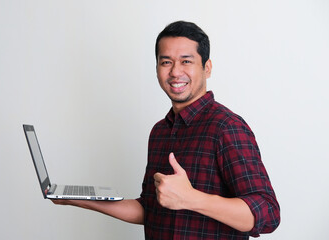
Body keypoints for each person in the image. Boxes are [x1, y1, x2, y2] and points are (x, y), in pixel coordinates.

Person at [51, 21, 280, 239]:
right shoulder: (159, 132)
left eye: (186, 61)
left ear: (207, 68)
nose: (175, 72)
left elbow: (268, 213)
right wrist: (74, 199)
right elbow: (149, 209)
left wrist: (191, 198)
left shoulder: (227, 127)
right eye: (166, 62)